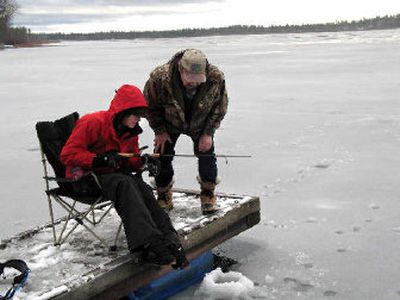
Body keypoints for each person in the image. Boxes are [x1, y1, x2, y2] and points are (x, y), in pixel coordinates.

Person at [59, 84, 188, 268]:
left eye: (141, 115)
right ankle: (146, 245)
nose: (139, 119)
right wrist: (98, 159)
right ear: (123, 111)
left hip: (114, 177)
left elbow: (131, 160)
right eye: (136, 114)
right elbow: (67, 155)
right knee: (126, 183)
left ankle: (170, 241)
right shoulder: (92, 122)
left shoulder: (130, 132)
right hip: (85, 178)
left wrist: (144, 162)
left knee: (141, 187)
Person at [143, 49, 228, 215]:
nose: (194, 83)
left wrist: (208, 133)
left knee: (206, 154)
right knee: (162, 153)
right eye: (190, 79)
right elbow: (149, 106)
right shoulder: (159, 78)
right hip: (169, 122)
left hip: (200, 123)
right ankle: (163, 193)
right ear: (181, 69)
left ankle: (208, 193)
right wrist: (159, 131)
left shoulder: (216, 78)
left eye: (198, 80)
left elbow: (220, 107)